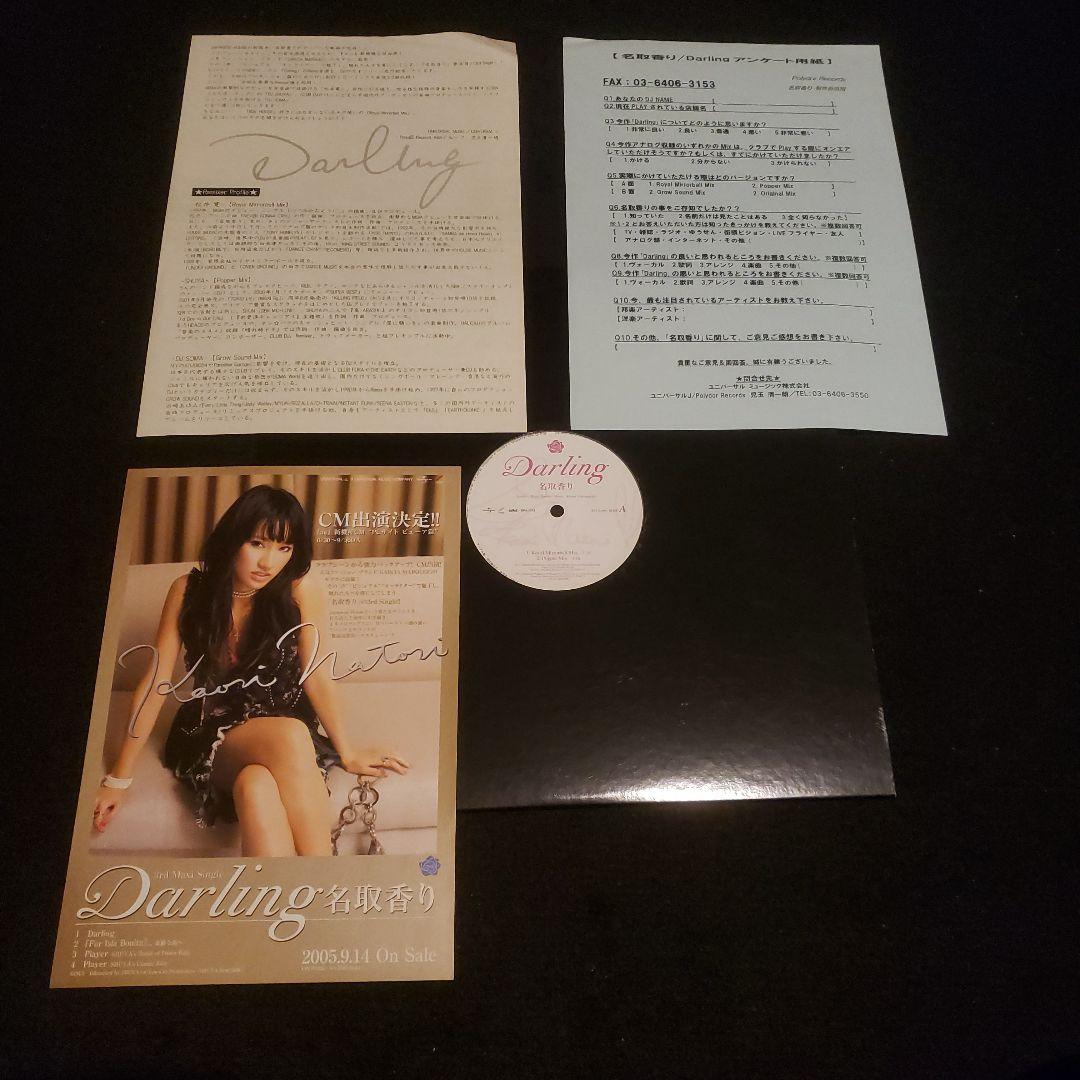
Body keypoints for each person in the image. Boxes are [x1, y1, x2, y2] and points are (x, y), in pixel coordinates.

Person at [91, 484, 409, 856]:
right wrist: (118, 778)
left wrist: (348, 751)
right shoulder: (188, 591)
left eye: (284, 548)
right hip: (214, 730)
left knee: (256, 784)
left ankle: (288, 891)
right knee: (290, 735)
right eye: (257, 543)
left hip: (285, 732)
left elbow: (316, 674)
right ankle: (329, 879)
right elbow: (155, 683)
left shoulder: (300, 590)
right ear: (233, 538)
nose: (268, 563)